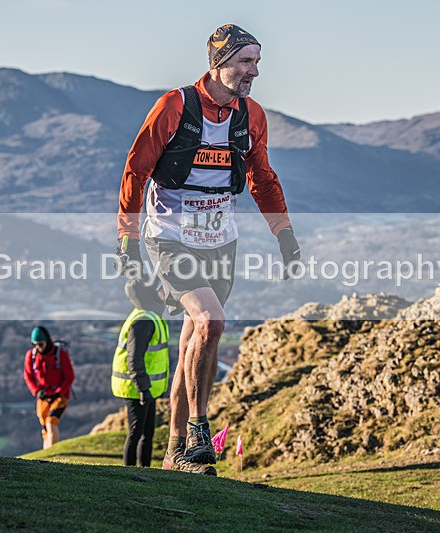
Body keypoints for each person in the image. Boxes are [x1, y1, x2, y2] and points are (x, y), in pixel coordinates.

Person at [116, 23, 300, 475]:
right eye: (246, 61)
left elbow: (262, 178)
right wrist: (128, 239)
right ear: (219, 63)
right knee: (211, 321)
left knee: (196, 343)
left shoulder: (251, 115)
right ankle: (200, 431)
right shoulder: (175, 106)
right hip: (171, 237)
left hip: (221, 242)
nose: (254, 71)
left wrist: (285, 235)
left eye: (257, 62)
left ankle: (175, 454)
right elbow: (136, 170)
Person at [111, 279, 170, 467]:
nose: (163, 295)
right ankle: (129, 473)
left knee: (148, 432)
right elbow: (134, 359)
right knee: (136, 433)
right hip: (137, 388)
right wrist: (143, 388)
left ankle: (146, 470)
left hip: (146, 387)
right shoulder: (144, 321)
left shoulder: (148, 316)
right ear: (149, 295)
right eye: (158, 292)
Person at [23, 326, 75, 449]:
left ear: (47, 341)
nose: (38, 347)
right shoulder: (31, 356)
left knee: (51, 421)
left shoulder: (60, 354)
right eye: (35, 344)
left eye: (40, 344)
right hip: (43, 395)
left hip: (60, 396)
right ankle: (47, 454)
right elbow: (28, 376)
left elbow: (69, 377)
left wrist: (58, 393)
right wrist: (37, 392)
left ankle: (52, 453)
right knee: (44, 425)